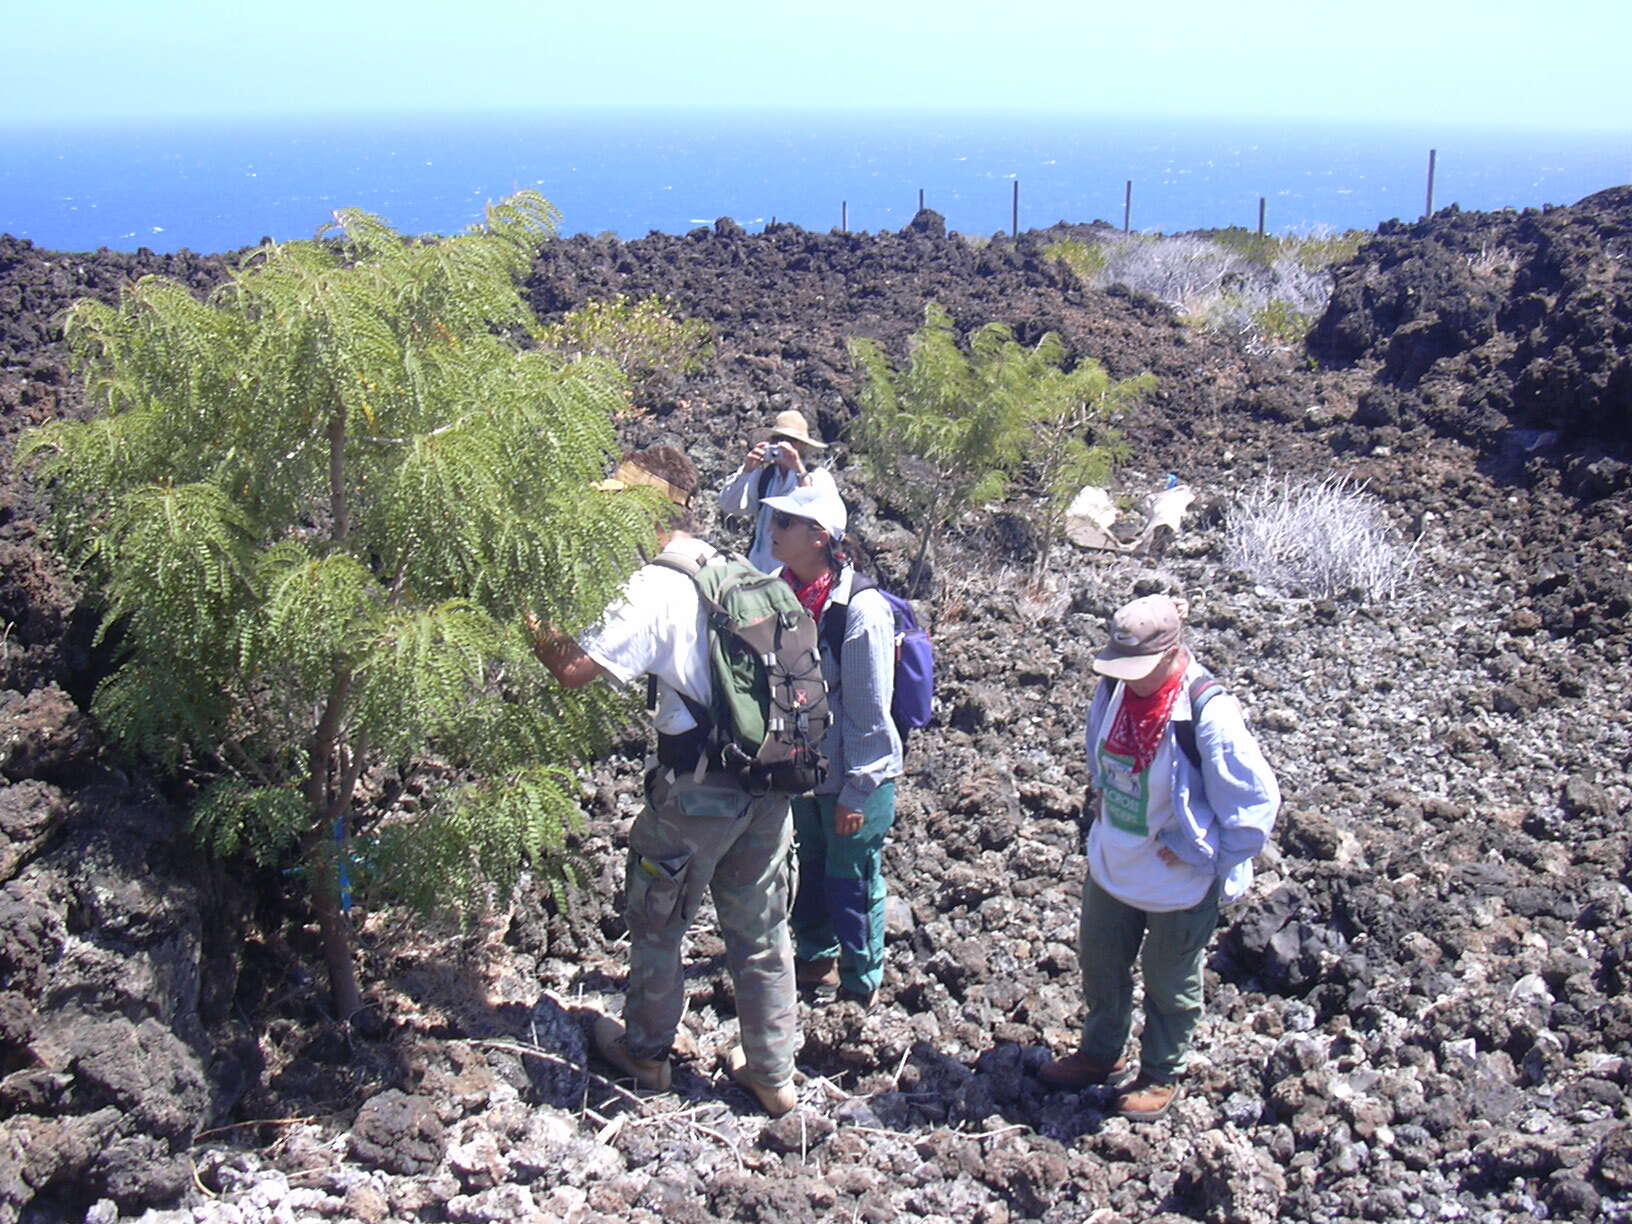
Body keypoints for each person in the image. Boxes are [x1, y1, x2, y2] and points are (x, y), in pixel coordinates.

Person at [528, 446, 800, 1118]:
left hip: (697, 792)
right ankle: (772, 1073)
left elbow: (572, 669)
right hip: (769, 786)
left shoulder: (655, 587)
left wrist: (526, 613)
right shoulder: (741, 570)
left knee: (656, 920)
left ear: (650, 513)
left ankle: (645, 1053)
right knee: (761, 931)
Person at [1040, 593, 1280, 1120]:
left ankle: (1159, 1071)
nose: (1128, 678)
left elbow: (1255, 805)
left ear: (1173, 654)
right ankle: (1101, 1054)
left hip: (1177, 882)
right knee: (1101, 966)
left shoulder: (1207, 714)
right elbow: (1099, 757)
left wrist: (1208, 854)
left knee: (1170, 981)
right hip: (1114, 863)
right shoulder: (1115, 690)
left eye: (1139, 668)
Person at [761, 484, 903, 1009]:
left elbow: (870, 710)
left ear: (819, 538)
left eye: (785, 524)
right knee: (812, 870)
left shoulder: (859, 610)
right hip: (803, 769)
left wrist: (858, 791)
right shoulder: (782, 592)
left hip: (851, 776)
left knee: (852, 880)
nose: (772, 532)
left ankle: (860, 982)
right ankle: (814, 957)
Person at [717, 408, 838, 572]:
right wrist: (746, 471)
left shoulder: (818, 477)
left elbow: (818, 520)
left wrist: (798, 470)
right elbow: (728, 505)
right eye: (778, 439)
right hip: (756, 572)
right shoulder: (764, 476)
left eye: (790, 440)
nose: (782, 445)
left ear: (801, 445)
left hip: (793, 576)